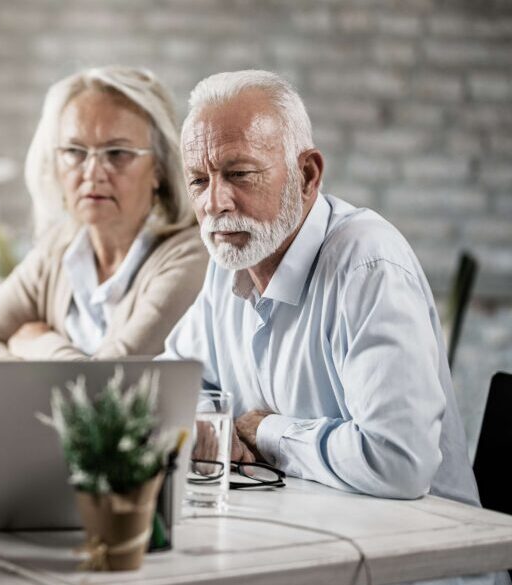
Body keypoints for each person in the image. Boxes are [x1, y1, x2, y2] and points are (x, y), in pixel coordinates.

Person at [161, 69, 481, 506]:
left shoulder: (367, 265)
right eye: (199, 180)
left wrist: (264, 431)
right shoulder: (230, 260)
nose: (214, 203)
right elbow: (173, 380)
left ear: (307, 175)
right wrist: (204, 420)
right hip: (306, 531)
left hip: (421, 560)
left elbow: (400, 462)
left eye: (239, 173)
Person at [0, 67, 208, 360]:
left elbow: (107, 391)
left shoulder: (192, 258)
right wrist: (23, 364)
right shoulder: (59, 250)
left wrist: (38, 344)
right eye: (74, 151)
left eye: (117, 153)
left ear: (159, 167)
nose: (92, 173)